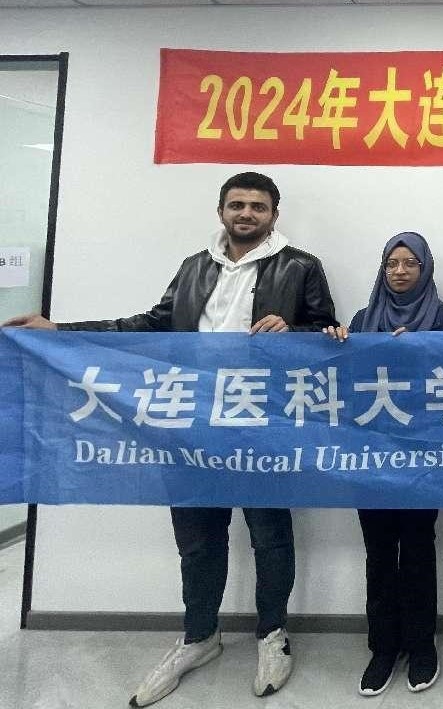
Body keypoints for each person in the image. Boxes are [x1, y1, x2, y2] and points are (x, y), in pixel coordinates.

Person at [3, 172, 337, 707]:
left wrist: (293, 330)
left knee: (269, 533)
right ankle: (199, 637)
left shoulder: (301, 266)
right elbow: (152, 324)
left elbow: (329, 336)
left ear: (275, 214)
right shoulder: (194, 266)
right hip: (190, 424)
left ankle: (273, 635)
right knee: (197, 536)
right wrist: (61, 331)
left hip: (262, 424)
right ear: (221, 210)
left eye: (257, 206)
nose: (246, 214)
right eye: (236, 205)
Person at [323, 232, 443, 697]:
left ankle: (422, 645)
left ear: (425, 268)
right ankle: (383, 647)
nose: (400, 272)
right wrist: (336, 344)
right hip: (371, 456)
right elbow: (345, 382)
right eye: (391, 263)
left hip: (423, 456)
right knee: (379, 551)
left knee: (418, 550)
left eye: (409, 263)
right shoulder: (362, 320)